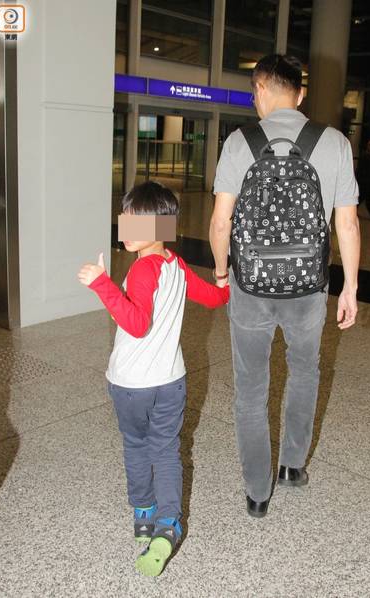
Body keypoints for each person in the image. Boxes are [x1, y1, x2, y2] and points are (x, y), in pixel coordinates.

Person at [210, 54, 360, 518]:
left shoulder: (240, 141)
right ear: (301, 94)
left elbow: (220, 222)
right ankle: (292, 466)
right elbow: (348, 224)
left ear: (259, 89)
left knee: (250, 388)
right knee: (305, 373)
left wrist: (222, 273)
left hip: (250, 285)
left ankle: (257, 493)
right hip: (308, 287)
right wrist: (350, 288)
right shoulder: (334, 142)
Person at [78, 181, 229, 576]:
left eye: (135, 221)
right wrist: (223, 283)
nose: (125, 229)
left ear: (160, 226)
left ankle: (144, 514)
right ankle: (168, 524)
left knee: (136, 446)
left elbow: (136, 323)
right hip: (171, 382)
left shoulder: (144, 268)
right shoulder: (175, 264)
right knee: (165, 451)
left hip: (132, 385)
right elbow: (212, 297)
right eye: (125, 219)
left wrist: (101, 284)